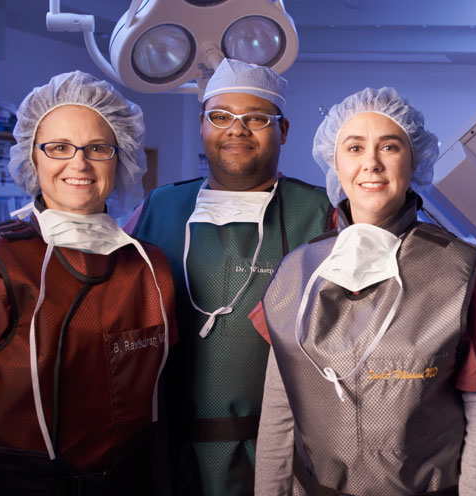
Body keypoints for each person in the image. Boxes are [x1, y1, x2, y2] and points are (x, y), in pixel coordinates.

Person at [252, 87, 476, 496]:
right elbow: (279, 415)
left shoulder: (458, 273)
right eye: (354, 147)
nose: (371, 163)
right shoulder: (296, 274)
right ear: (335, 162)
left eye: (389, 146)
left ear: (413, 159)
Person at [0, 71, 177, 496]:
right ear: (33, 158)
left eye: (97, 148)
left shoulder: (150, 267)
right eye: (58, 148)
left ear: (121, 156)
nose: (79, 163)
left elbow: (159, 405)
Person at [127, 58, 334, 495]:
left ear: (284, 130)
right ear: (202, 125)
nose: (236, 130)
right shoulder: (156, 210)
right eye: (220, 117)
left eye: (256, 118)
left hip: (278, 455)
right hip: (165, 450)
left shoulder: (320, 216)